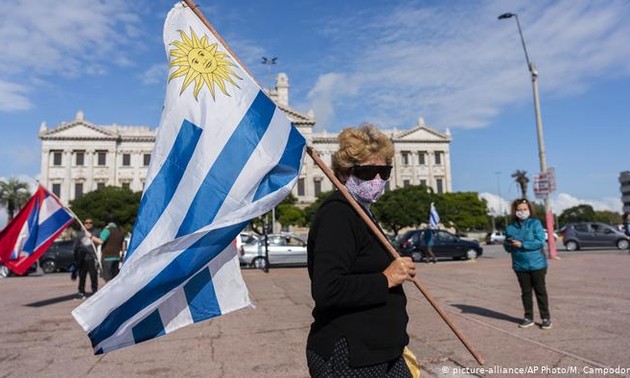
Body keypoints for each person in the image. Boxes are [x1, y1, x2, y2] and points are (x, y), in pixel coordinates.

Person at [306, 124, 417, 377]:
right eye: (368, 172)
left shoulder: (362, 211)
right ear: (344, 174)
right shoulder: (338, 213)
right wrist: (386, 278)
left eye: (384, 171)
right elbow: (327, 288)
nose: (377, 180)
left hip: (382, 350)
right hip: (352, 354)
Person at [504, 198, 552, 330]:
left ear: (529, 210)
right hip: (520, 265)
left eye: (525, 209)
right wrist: (508, 244)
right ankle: (528, 317)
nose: (522, 212)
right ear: (515, 211)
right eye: (519, 210)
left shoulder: (535, 224)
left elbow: (540, 241)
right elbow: (507, 247)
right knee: (525, 292)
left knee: (540, 291)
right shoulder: (510, 227)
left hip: (537, 264)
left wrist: (522, 244)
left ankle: (545, 318)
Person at [92, 214, 125, 282]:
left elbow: (100, 241)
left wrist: (91, 237)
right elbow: (123, 244)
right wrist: (122, 254)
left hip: (107, 257)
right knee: (115, 279)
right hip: (117, 257)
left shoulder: (107, 230)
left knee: (108, 279)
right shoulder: (121, 230)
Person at [72, 218, 99, 299]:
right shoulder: (80, 234)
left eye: (90, 222)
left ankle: (94, 291)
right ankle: (81, 292)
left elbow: (100, 242)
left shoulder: (96, 233)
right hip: (82, 258)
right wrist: (76, 257)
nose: (88, 224)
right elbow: (75, 247)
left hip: (92, 258)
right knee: (82, 276)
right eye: (86, 222)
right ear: (84, 224)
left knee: (93, 275)